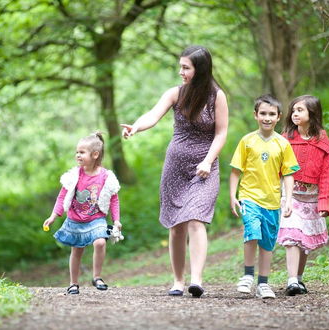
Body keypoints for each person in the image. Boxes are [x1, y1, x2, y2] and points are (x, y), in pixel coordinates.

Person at [121, 45, 229, 297]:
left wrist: (208, 161)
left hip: (204, 167)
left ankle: (197, 280)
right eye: (180, 66)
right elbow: (152, 115)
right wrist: (136, 127)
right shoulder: (175, 93)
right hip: (175, 168)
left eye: (185, 67)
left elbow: (221, 133)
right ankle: (178, 281)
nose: (180, 71)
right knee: (176, 225)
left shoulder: (217, 96)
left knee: (195, 218)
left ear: (200, 70)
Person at [229, 94, 300, 299]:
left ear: (279, 117)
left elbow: (288, 173)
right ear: (255, 115)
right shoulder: (247, 141)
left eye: (271, 114)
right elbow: (235, 171)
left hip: (272, 201)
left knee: (267, 244)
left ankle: (263, 283)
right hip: (249, 197)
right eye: (263, 114)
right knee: (252, 231)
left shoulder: (282, 144)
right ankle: (248, 276)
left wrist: (287, 199)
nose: (267, 118)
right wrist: (233, 196)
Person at [43, 132, 121, 295]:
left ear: (95, 154)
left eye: (82, 152)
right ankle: (73, 283)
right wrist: (53, 216)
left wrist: (116, 220)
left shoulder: (106, 177)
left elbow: (114, 199)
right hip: (76, 219)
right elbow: (62, 196)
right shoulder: (73, 175)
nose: (78, 155)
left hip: (96, 218)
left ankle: (97, 277)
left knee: (100, 242)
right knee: (76, 250)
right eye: (77, 152)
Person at [277, 95, 329, 296]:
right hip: (290, 195)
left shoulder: (322, 139)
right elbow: (277, 168)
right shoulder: (285, 138)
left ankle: (298, 279)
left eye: (300, 110)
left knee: (304, 240)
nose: (295, 114)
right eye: (293, 110)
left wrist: (324, 201)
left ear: (313, 113)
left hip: (311, 197)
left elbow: (326, 173)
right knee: (292, 234)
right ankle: (291, 280)